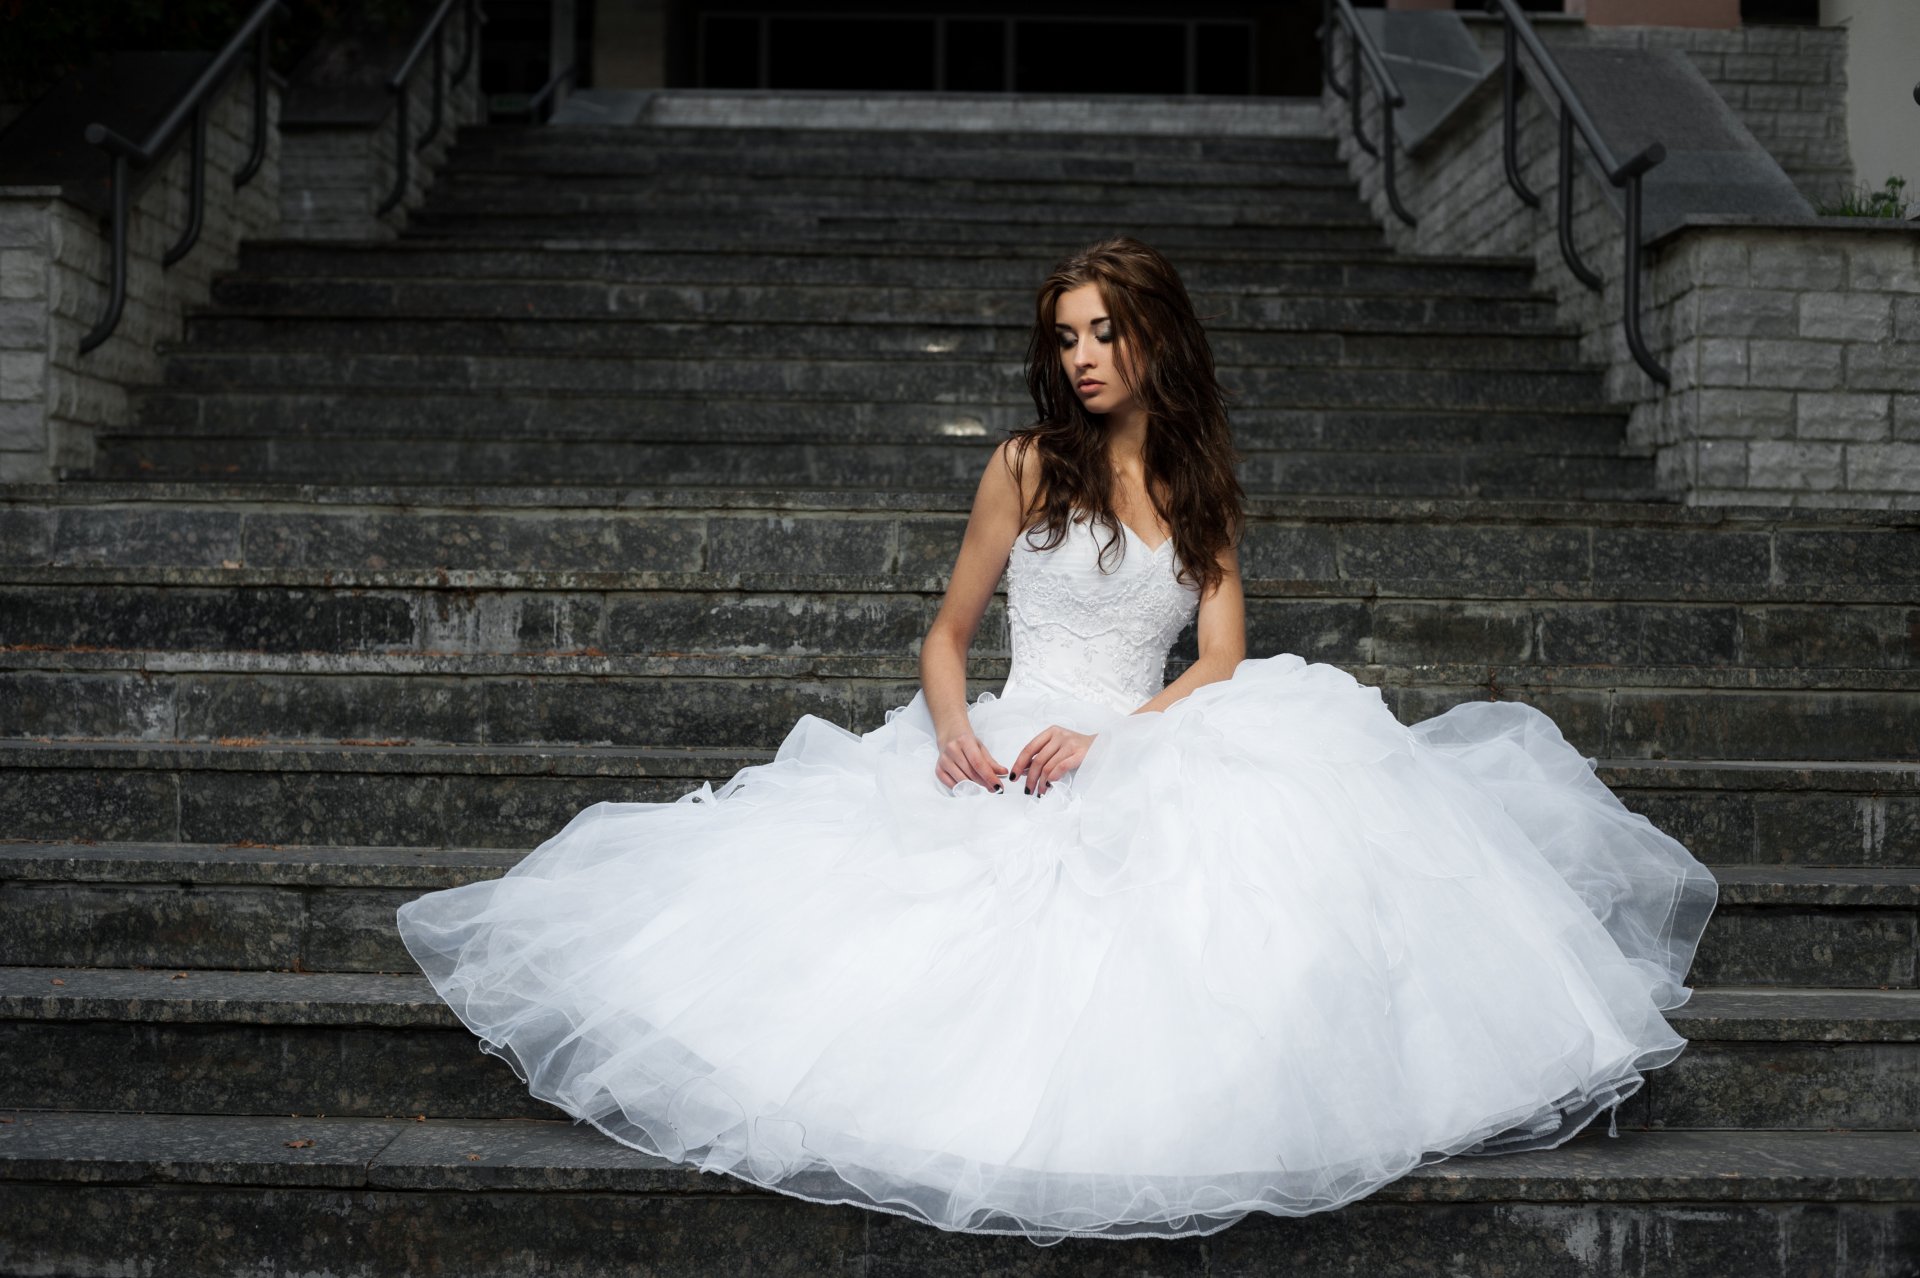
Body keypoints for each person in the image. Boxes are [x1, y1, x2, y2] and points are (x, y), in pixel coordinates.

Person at [395, 236, 1717, 1244]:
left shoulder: (1200, 487)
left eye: (1104, 331)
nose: (1082, 356)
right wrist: (958, 728)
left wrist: (1123, 742)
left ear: (1153, 339)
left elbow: (1216, 661)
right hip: (1009, 730)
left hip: (1137, 731)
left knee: (1260, 878)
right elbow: (944, 632)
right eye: (1067, 336)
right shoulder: (1026, 464)